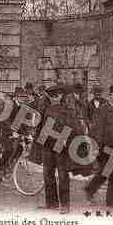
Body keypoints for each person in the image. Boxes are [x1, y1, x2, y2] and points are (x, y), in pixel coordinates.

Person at [40, 84, 82, 214]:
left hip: (60, 145)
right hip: (47, 145)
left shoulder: (68, 110)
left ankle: (65, 205)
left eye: (56, 95)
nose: (54, 98)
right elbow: (42, 127)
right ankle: (51, 203)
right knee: (48, 174)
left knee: (63, 175)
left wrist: (65, 140)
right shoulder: (46, 110)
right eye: (52, 96)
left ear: (61, 95)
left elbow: (74, 128)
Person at [84, 85, 113, 208]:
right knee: (106, 172)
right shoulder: (102, 110)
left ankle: (111, 201)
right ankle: (90, 189)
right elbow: (95, 130)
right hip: (106, 148)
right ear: (110, 96)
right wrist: (96, 147)